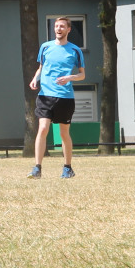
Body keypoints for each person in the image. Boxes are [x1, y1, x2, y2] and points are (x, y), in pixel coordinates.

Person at [25, 15, 85, 179]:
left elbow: (82, 75)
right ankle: (37, 168)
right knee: (43, 128)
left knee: (64, 134)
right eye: (57, 26)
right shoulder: (45, 47)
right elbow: (41, 68)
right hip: (45, 95)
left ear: (68, 29)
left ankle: (68, 167)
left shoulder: (75, 50)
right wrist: (34, 79)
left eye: (62, 26)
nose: (59, 29)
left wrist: (69, 78)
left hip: (65, 97)